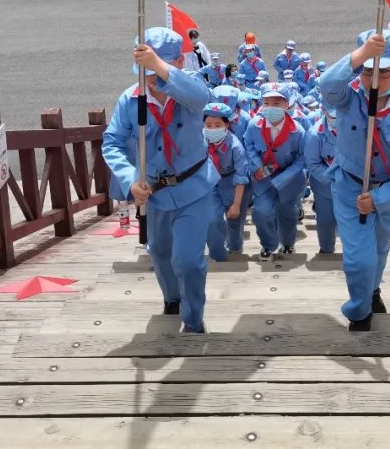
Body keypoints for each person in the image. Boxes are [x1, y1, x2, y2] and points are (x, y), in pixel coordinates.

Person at [102, 27, 215, 333]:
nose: (152, 79)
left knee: (188, 261)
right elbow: (111, 142)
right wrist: (130, 179)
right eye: (145, 71)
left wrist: (159, 66)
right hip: (154, 191)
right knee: (160, 252)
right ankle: (172, 298)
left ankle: (193, 320)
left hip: (193, 186)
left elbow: (202, 97)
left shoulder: (189, 87)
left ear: (179, 61)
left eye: (157, 68)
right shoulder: (130, 99)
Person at [317, 29, 390, 331]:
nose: (375, 81)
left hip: (385, 192)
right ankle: (359, 311)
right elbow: (325, 85)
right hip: (349, 186)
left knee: (379, 248)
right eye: (368, 73)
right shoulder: (347, 98)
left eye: (384, 73)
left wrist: (379, 199)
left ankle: (373, 290)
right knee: (357, 259)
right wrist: (362, 54)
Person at [242, 82, 306, 260]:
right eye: (267, 103)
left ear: (287, 105)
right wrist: (257, 165)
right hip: (262, 178)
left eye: (277, 103)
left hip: (289, 180)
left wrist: (284, 178)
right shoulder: (254, 125)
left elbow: (302, 158)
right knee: (261, 213)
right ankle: (269, 245)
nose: (271, 108)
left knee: (288, 213)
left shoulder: (297, 130)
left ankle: (287, 243)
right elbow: (249, 145)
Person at [203, 102, 250, 260]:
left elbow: (241, 176)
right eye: (208, 124)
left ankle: (235, 248)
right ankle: (217, 255)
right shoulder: (200, 141)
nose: (212, 129)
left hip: (232, 184)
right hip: (210, 184)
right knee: (212, 220)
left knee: (234, 220)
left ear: (226, 125)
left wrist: (236, 204)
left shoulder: (235, 146)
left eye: (217, 125)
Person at [303, 104, 338, 254]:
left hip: (352, 184)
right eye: (334, 115)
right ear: (323, 111)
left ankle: (353, 252)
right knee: (325, 221)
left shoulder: (356, 127)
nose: (338, 119)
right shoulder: (314, 134)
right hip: (325, 186)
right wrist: (334, 179)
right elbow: (312, 164)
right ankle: (326, 249)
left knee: (353, 221)